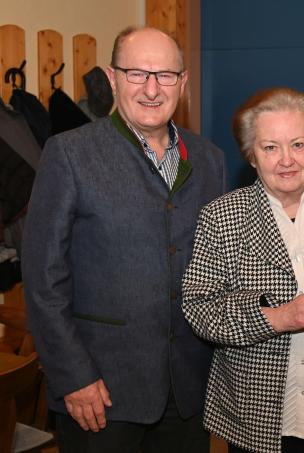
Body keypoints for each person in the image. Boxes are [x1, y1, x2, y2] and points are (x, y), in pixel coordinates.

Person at [22, 26, 226, 453]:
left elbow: (219, 265)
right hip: (100, 392)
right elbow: (43, 279)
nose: (151, 89)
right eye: (136, 73)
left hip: (188, 390)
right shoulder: (69, 154)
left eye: (166, 75)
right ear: (113, 79)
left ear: (183, 83)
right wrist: (73, 375)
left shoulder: (210, 160)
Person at [182, 88, 304, 453]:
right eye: (270, 147)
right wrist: (278, 317)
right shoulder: (222, 217)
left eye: (298, 144)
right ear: (252, 156)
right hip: (255, 417)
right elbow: (199, 308)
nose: (286, 160)